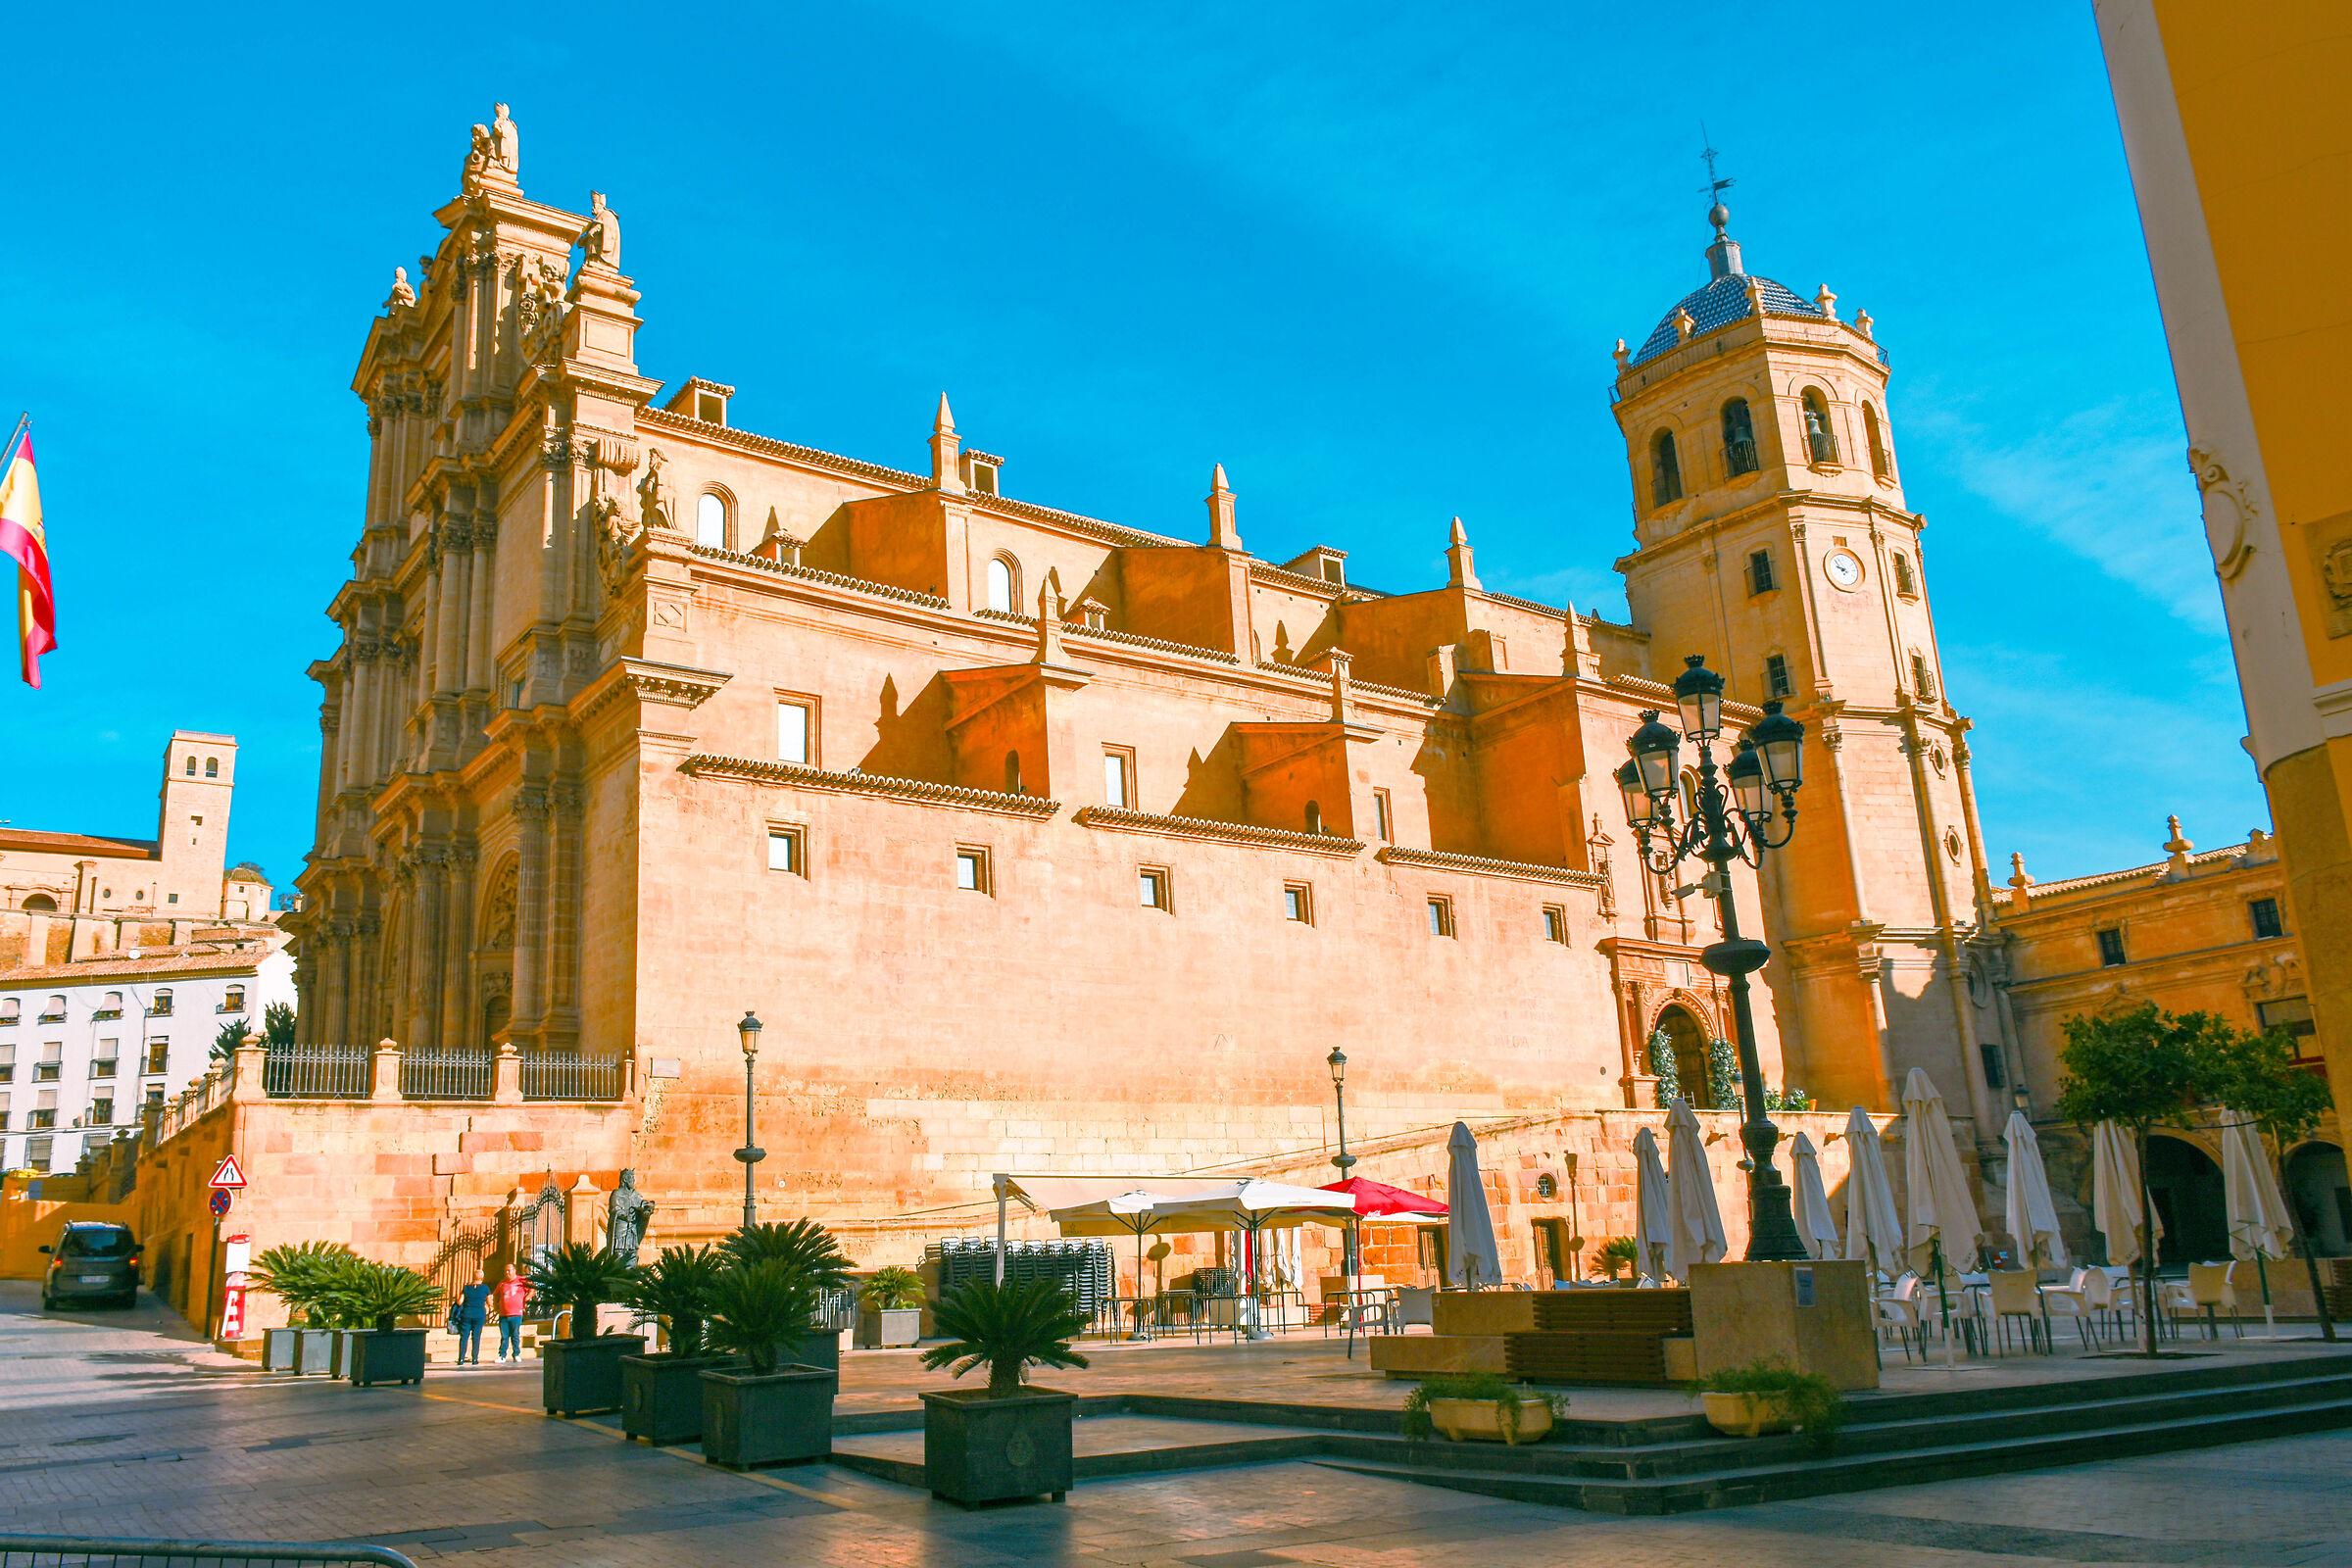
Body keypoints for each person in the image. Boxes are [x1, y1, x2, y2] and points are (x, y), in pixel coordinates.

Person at [450, 1276, 493, 1365]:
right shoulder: (485, 1288)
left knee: (464, 1337)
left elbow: (460, 1302)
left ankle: (461, 1358)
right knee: (476, 1337)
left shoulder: (467, 1288)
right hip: (479, 1314)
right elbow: (490, 1302)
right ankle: (475, 1359)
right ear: (482, 1278)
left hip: (466, 1314)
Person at [493, 1264, 532, 1363]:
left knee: (515, 1335)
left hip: (516, 1313)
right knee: (504, 1336)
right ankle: (502, 1355)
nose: (507, 1273)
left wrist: (527, 1298)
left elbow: (532, 1289)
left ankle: (516, 1354)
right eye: (505, 1271)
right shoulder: (502, 1283)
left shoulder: (522, 1280)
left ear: (514, 1270)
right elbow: (495, 1295)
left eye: (509, 1270)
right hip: (503, 1314)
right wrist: (495, 1307)